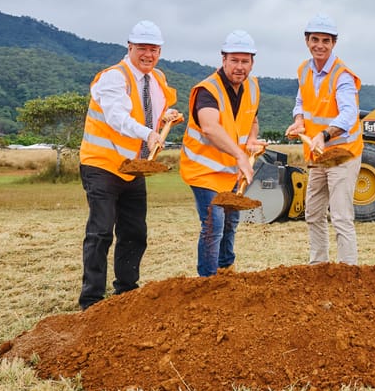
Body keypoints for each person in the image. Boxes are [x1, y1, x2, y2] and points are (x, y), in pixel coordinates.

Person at [78, 20, 178, 310]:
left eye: (154, 49)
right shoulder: (113, 77)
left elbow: (152, 113)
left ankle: (126, 292)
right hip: (102, 164)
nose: (148, 55)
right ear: (130, 47)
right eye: (143, 49)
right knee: (101, 231)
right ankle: (92, 300)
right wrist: (149, 133)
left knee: (135, 231)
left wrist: (166, 117)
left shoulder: (156, 78)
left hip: (135, 167)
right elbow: (117, 117)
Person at [179, 29, 265, 277]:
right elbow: (209, 126)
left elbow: (252, 120)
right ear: (223, 59)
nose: (240, 67)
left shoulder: (252, 87)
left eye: (245, 61)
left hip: (230, 173)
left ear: (252, 62)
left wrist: (250, 140)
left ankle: (226, 272)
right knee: (213, 224)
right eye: (234, 60)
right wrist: (240, 156)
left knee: (230, 223)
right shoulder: (208, 90)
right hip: (204, 170)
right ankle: (207, 281)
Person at [285, 13, 361, 265]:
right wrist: (298, 121)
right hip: (318, 155)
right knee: (313, 213)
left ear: (333, 43)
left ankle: (348, 272)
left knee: (340, 216)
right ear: (307, 41)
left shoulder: (343, 75)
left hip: (342, 154)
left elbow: (349, 114)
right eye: (315, 39)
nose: (320, 45)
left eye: (325, 40)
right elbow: (301, 102)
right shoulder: (304, 70)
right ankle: (318, 267)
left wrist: (324, 134)